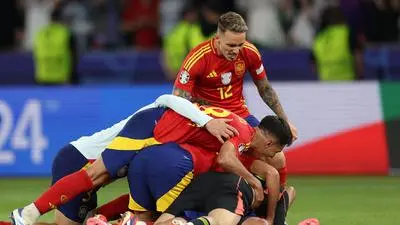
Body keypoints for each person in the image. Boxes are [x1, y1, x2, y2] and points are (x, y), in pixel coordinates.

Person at [10, 95, 236, 225]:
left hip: (89, 168)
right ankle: (25, 214)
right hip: (78, 159)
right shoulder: (161, 113)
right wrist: (205, 120)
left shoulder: (170, 139)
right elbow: (169, 98)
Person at [171, 11, 298, 184]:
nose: (236, 51)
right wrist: (205, 121)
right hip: (210, 119)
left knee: (278, 159)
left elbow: (265, 88)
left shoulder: (249, 52)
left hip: (240, 115)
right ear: (217, 38)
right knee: (217, 161)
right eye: (231, 45)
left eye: (240, 44)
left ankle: (277, 203)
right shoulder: (198, 58)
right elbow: (178, 100)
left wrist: (285, 122)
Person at [120, 114, 291, 223]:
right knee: (215, 222)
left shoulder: (245, 148)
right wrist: (269, 217)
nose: (270, 157)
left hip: (186, 173)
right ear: (268, 143)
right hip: (185, 167)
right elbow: (272, 174)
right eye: (274, 152)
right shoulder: (244, 134)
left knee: (158, 219)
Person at [33, 8, 79, 85]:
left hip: (42, 78)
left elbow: (35, 53)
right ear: (62, 19)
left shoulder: (40, 33)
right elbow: (74, 57)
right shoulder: (66, 33)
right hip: (62, 78)